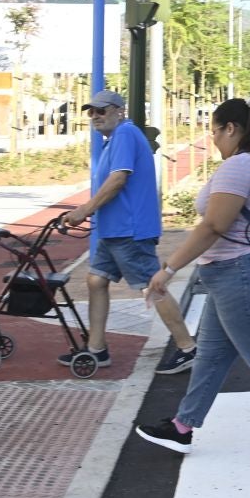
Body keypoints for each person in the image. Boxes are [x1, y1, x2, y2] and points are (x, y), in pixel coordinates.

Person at [136, 96, 250, 468]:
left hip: (246, 276)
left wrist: (168, 269)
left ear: (232, 129)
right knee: (211, 356)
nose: (215, 140)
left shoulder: (240, 167)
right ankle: (182, 426)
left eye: (216, 132)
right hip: (246, 274)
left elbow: (213, 225)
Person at [60, 91, 199, 376]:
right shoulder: (114, 140)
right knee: (96, 280)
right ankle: (97, 349)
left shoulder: (124, 134)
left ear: (119, 111)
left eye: (102, 111)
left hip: (129, 231)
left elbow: (118, 179)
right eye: (91, 112)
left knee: (153, 286)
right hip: (114, 231)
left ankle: (188, 348)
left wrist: (84, 210)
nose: (96, 116)